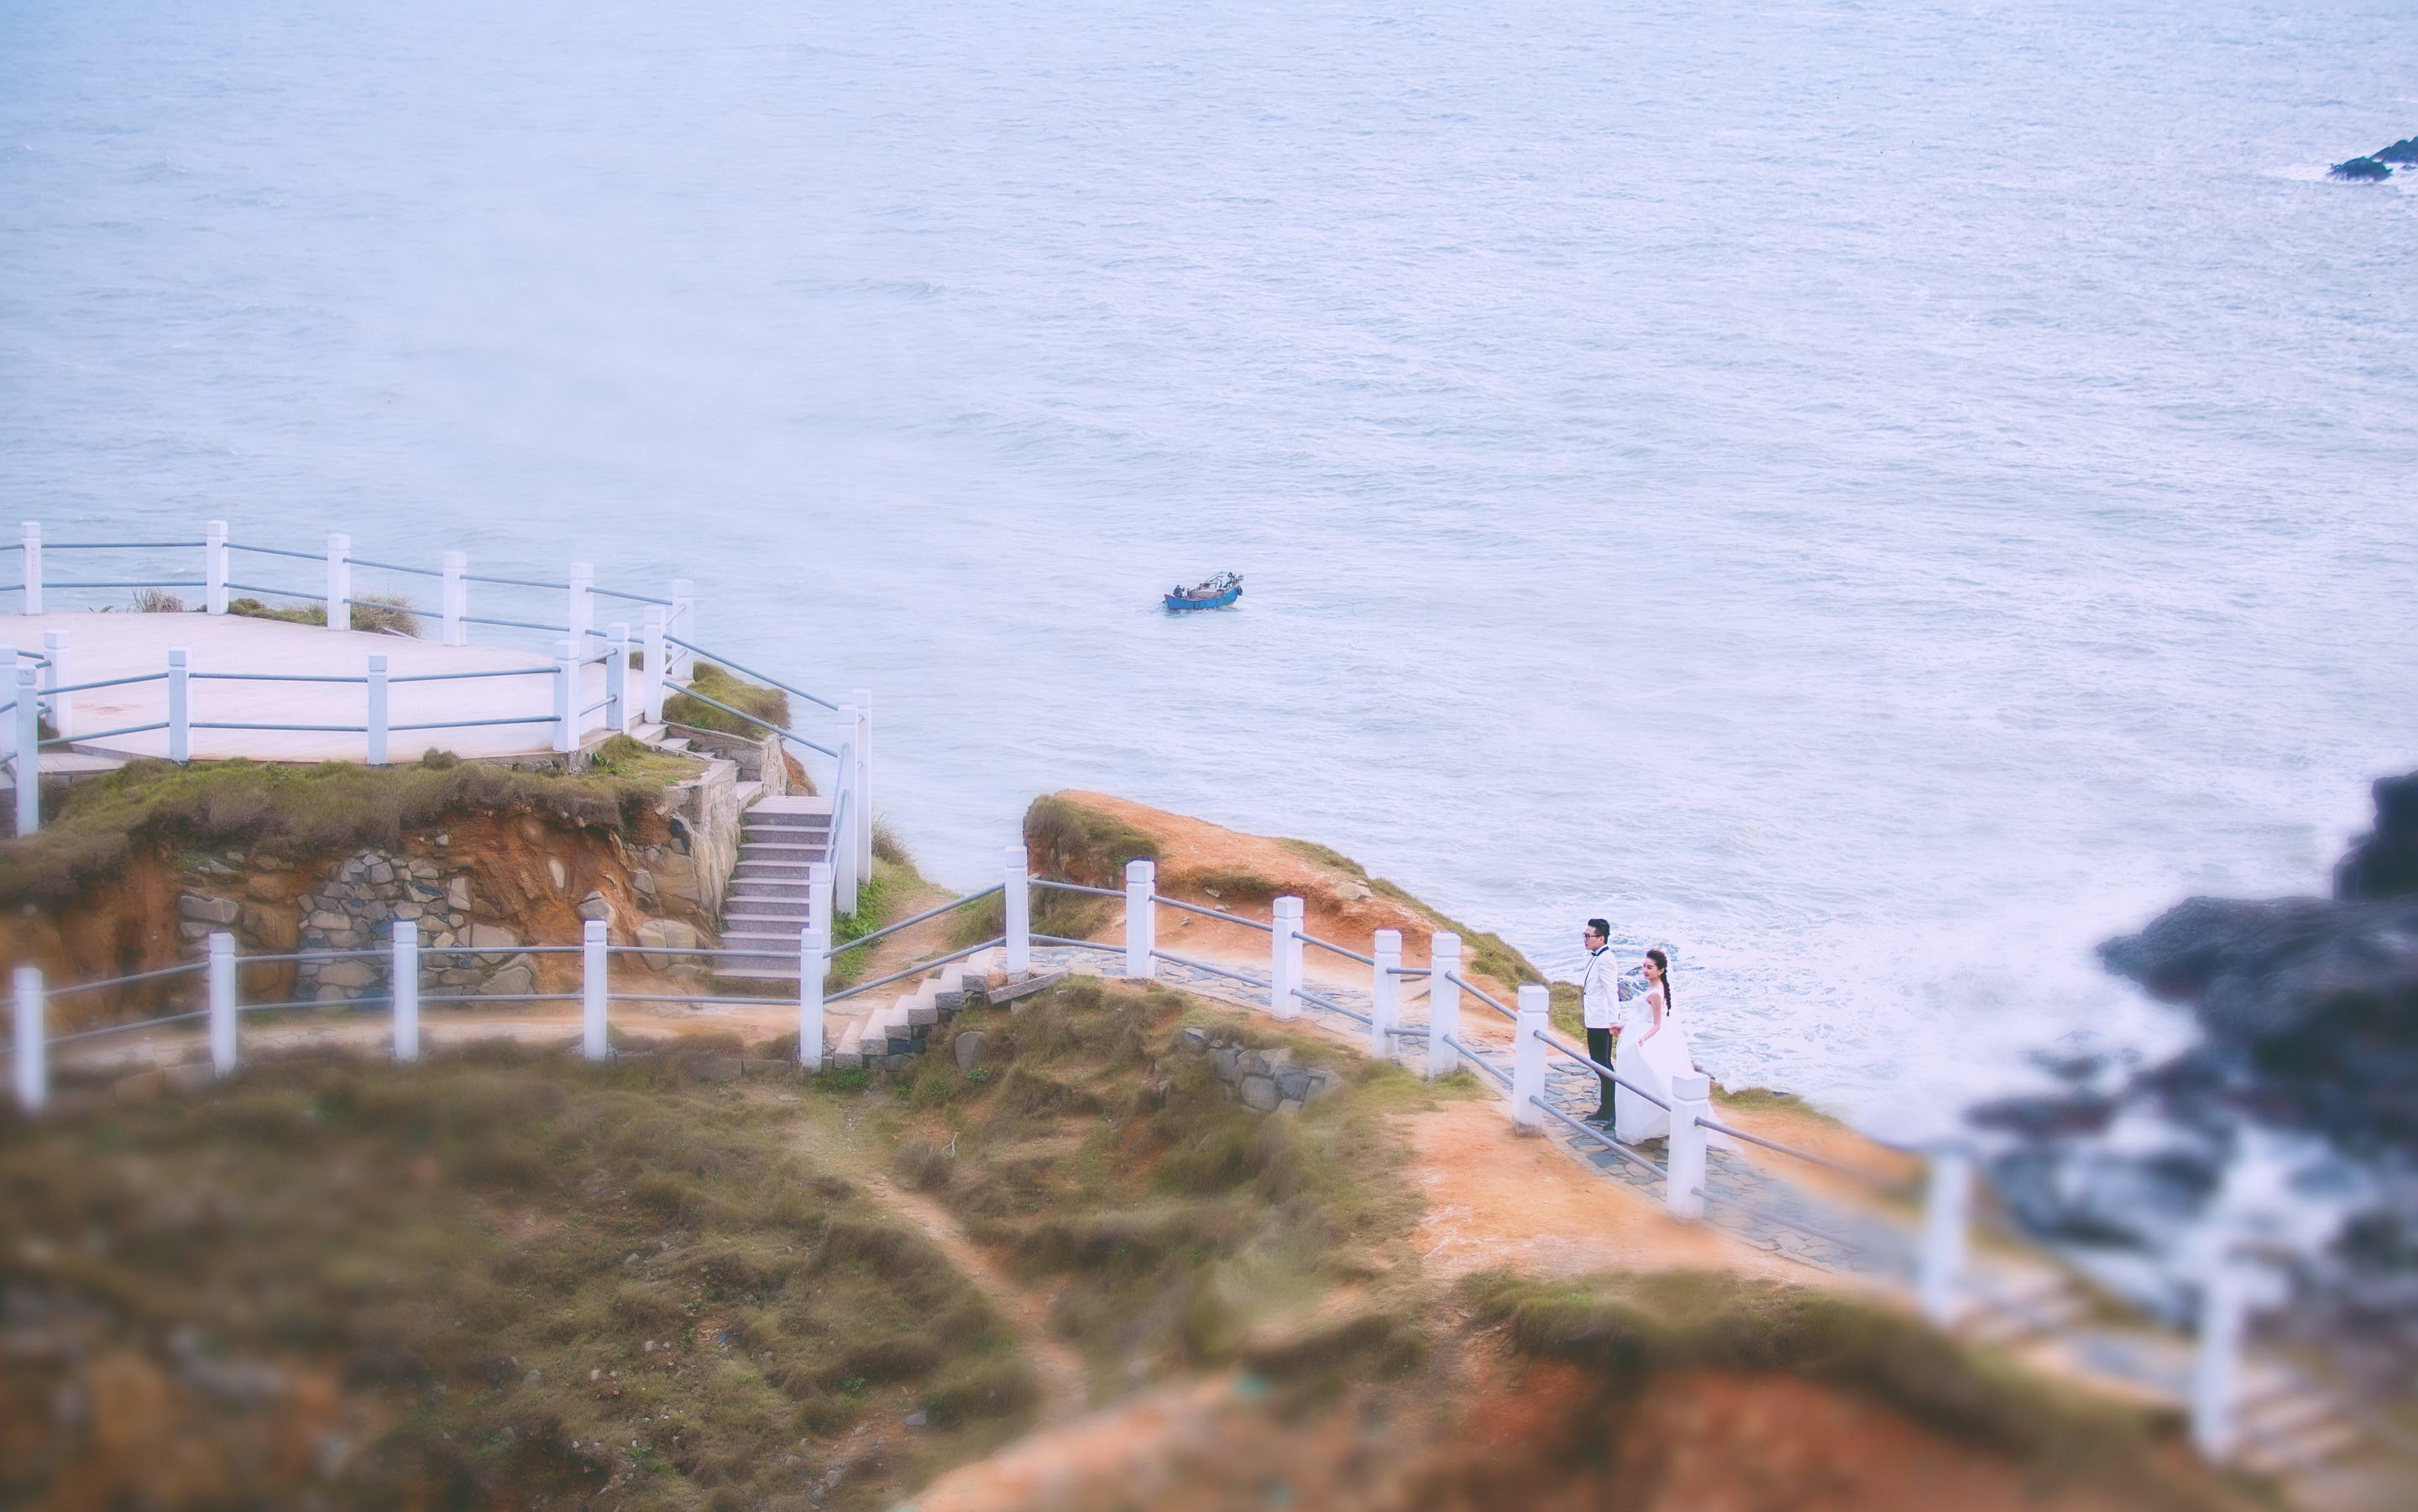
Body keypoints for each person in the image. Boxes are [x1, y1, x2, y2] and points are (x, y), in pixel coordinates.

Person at [1615, 946, 1705, 1146]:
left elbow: (1656, 1024)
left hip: (1643, 1040)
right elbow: (1642, 1018)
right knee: (1644, 1083)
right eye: (1644, 967)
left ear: (1661, 970)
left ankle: (1655, 1124)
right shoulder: (1653, 989)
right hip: (1636, 1034)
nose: (1645, 971)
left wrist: (1641, 1039)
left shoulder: (1656, 993)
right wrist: (1625, 1027)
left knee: (1648, 1082)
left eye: (1650, 967)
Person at [1577, 918, 1620, 1123]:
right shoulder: (1597, 957)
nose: (1585, 939)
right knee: (1599, 1063)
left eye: (1588, 936)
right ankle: (1607, 1107)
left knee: (1602, 1064)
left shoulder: (1606, 959)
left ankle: (1610, 1109)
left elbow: (1612, 991)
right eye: (1584, 935)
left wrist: (1613, 1021)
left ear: (1601, 938)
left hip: (1601, 1021)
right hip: (1594, 1018)